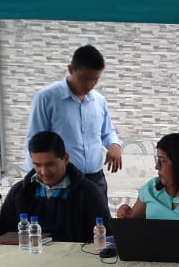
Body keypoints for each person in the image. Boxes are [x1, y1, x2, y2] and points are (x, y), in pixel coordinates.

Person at [26, 44, 122, 202]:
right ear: (71, 70)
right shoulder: (46, 98)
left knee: (100, 217)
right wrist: (36, 179)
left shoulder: (99, 101)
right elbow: (34, 141)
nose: (90, 85)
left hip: (95, 177)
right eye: (85, 79)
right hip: (62, 179)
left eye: (95, 79)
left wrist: (114, 145)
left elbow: (108, 132)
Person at [0, 131, 111, 243]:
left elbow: (107, 238)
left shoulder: (89, 193)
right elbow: (0, 234)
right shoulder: (19, 192)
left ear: (65, 159)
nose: (44, 172)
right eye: (37, 165)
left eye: (50, 165)